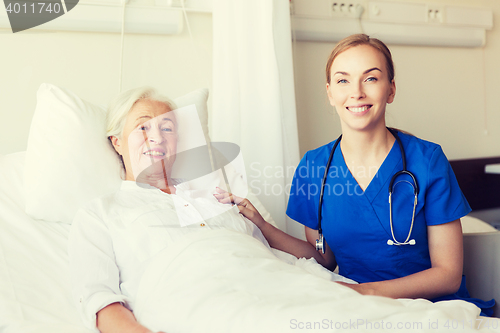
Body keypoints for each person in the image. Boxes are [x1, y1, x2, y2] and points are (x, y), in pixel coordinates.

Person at [215, 33, 494, 316]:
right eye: (343, 80)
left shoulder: (428, 161)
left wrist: (367, 291)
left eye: (371, 78)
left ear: (391, 90)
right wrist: (261, 224)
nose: (356, 92)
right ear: (330, 92)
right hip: (355, 307)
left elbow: (447, 274)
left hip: (431, 310)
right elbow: (323, 258)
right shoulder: (314, 168)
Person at [68, 87, 270, 333]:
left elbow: (272, 262)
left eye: (167, 128)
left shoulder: (219, 200)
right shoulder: (100, 214)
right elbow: (99, 301)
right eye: (143, 127)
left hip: (272, 300)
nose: (157, 137)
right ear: (117, 143)